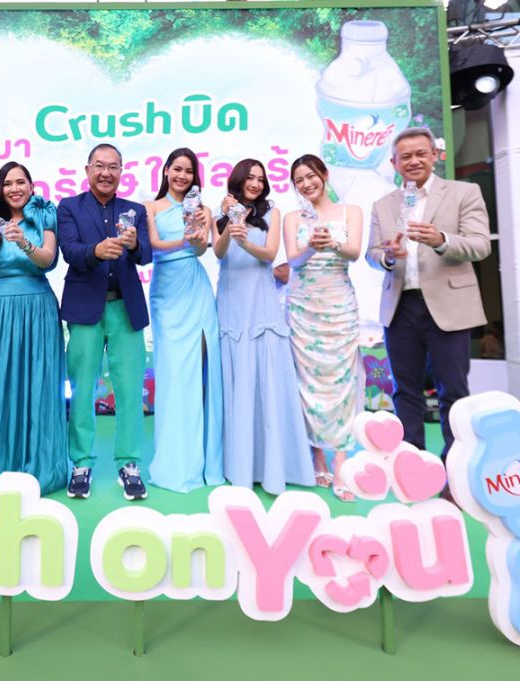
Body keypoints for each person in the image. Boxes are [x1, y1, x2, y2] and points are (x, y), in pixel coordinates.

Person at [366, 127, 491, 460]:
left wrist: (441, 240)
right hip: (400, 307)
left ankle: (457, 465)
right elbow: (372, 254)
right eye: (405, 156)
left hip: (449, 306)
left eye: (421, 153)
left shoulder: (464, 192)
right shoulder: (383, 205)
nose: (414, 161)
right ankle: (411, 463)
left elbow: (480, 245)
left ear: (435, 155)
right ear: (394, 163)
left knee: (454, 391)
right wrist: (388, 256)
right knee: (405, 391)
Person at [0, 162, 68, 498]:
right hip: (0, 306)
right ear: (1, 188)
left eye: (21, 182)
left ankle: (39, 467)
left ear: (31, 185)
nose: (14, 189)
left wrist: (24, 242)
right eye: (8, 183)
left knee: (39, 384)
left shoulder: (44, 213)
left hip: (38, 306)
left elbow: (48, 259)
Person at [58, 143, 152, 501]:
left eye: (113, 167)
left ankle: (129, 465)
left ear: (121, 172)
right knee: (83, 390)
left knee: (129, 390)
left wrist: (134, 245)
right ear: (87, 170)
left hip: (126, 310)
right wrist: (95, 252)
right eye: (100, 165)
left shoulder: (135, 211)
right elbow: (69, 251)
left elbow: (147, 255)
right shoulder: (69, 207)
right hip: (85, 309)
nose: (106, 173)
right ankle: (81, 464)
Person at [215, 159, 313, 496]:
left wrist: (245, 241)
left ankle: (273, 467)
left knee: (266, 377)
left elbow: (270, 255)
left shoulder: (272, 212)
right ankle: (240, 466)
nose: (256, 183)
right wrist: (231, 223)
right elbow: (218, 252)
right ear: (238, 180)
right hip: (231, 300)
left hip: (261, 299)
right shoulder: (221, 213)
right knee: (237, 376)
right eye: (250, 178)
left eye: (261, 178)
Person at [283, 154, 364, 502]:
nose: (306, 184)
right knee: (307, 383)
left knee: (343, 383)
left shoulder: (351, 212)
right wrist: (309, 247)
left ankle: (341, 463)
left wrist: (331, 242)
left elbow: (354, 252)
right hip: (303, 307)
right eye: (299, 180)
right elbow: (293, 260)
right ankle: (317, 456)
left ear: (324, 175)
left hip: (339, 305)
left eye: (310, 176)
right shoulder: (292, 218)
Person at [143, 148, 223, 493]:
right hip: (166, 291)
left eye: (189, 171)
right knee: (174, 374)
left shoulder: (203, 209)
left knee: (203, 372)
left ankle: (208, 463)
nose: (182, 176)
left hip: (196, 286)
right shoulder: (150, 207)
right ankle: (176, 462)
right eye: (177, 169)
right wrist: (184, 239)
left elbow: (202, 250)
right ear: (166, 170)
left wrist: (197, 236)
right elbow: (153, 246)